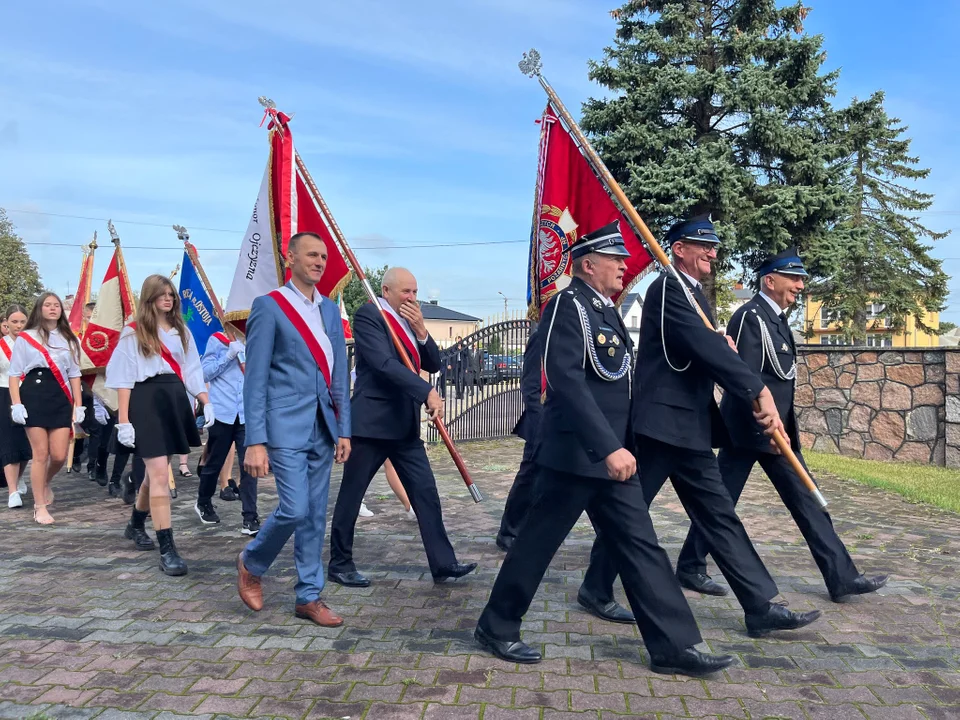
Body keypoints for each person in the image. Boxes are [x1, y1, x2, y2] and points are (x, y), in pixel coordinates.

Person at [476, 221, 733, 677]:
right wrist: (607, 446)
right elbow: (567, 382)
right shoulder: (566, 307)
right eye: (615, 259)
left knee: (643, 547)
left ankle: (675, 645)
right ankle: (496, 626)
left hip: (613, 460)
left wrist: (623, 445)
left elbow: (619, 385)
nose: (624, 266)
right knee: (536, 544)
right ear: (588, 264)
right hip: (576, 456)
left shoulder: (605, 310)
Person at [584, 214, 822, 638]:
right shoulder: (668, 288)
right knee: (631, 514)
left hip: (688, 425)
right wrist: (756, 389)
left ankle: (760, 605)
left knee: (720, 516)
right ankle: (595, 587)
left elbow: (702, 345)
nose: (713, 251)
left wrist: (718, 343)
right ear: (678, 250)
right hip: (661, 424)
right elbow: (699, 345)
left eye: (714, 244)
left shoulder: (694, 294)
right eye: (703, 244)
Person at [676, 247, 888, 602]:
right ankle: (690, 565)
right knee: (720, 505)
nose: (800, 285)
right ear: (769, 280)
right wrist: (766, 427)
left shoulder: (775, 319)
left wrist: (782, 428)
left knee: (807, 501)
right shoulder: (749, 318)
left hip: (777, 433)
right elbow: (741, 378)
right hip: (748, 432)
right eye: (793, 278)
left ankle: (841, 577)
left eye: (801, 278)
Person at [328, 267, 476, 588]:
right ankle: (340, 563)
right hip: (371, 424)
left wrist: (422, 330)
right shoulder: (370, 315)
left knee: (425, 493)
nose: (412, 298)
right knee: (352, 495)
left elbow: (433, 363)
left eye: (415, 292)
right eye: (406, 292)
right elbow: (384, 365)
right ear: (386, 290)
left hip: (404, 428)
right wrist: (426, 391)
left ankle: (443, 562)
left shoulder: (409, 324)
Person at [236, 231, 351, 627]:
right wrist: (255, 440)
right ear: (291, 259)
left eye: (323, 256)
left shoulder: (331, 311)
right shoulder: (269, 307)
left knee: (315, 515)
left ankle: (308, 596)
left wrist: (344, 430)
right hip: (283, 426)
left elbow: (339, 376)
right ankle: (251, 560)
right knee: (294, 507)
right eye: (311, 255)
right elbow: (255, 378)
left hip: (322, 427)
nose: (319, 262)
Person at [106, 275, 215, 575]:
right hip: (145, 401)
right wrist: (124, 421)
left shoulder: (181, 330)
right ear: (150, 297)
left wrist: (206, 401)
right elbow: (124, 379)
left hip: (173, 399)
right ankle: (168, 548)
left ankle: (135, 524)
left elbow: (192, 369)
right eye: (162, 294)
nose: (168, 299)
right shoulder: (133, 333)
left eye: (171, 295)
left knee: (152, 475)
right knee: (159, 475)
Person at [8, 293, 85, 524]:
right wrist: (17, 404)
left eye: (56, 305)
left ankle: (44, 482)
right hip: (34, 393)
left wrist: (78, 405)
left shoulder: (69, 338)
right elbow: (14, 373)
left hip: (60, 395)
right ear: (39, 309)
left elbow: (74, 374)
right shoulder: (27, 337)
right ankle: (39, 506)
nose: (52, 309)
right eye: (47, 305)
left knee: (60, 455)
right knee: (40, 455)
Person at [195, 328, 260, 536]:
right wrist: (229, 355)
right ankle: (203, 502)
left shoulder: (256, 338)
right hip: (223, 410)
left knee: (248, 466)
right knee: (214, 462)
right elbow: (204, 373)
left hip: (246, 412)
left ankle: (250, 517)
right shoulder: (218, 339)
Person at [495, 325, 543, 551]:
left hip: (573, 421)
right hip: (544, 423)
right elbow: (531, 387)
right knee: (529, 479)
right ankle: (509, 531)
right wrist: (541, 424)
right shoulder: (541, 337)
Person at [1, 305, 32, 509]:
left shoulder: (33, 344)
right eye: (14, 321)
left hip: (29, 395)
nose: (18, 326)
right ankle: (12, 491)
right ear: (6, 323)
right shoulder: (1, 345)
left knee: (27, 443)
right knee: (10, 443)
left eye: (22, 321)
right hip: (4, 394)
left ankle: (20, 477)